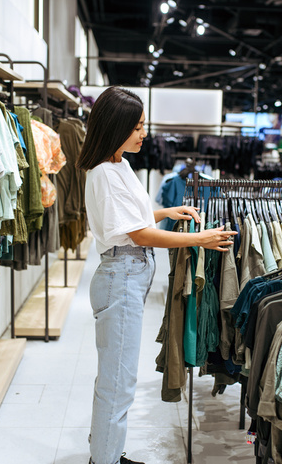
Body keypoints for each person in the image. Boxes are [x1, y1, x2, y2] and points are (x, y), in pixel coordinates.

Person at [76, 86, 237, 464]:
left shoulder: (119, 164)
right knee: (117, 382)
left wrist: (169, 212)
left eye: (143, 125)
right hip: (121, 274)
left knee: (117, 379)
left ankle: (108, 454)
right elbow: (137, 233)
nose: (143, 133)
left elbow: (138, 217)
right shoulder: (104, 172)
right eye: (136, 126)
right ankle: (104, 460)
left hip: (127, 272)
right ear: (115, 128)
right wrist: (200, 239)